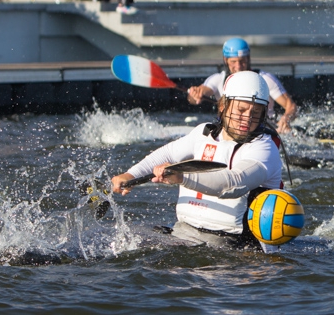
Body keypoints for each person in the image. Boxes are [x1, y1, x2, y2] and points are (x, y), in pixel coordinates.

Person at [111, 71, 283, 251]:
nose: (247, 118)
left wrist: (181, 177)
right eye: (241, 110)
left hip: (235, 245)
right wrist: (130, 175)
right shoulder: (203, 133)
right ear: (223, 106)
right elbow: (167, 154)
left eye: (255, 112)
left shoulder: (264, 148)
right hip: (185, 232)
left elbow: (234, 183)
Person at [187, 38, 297, 133]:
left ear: (248, 58)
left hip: (263, 129)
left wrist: (286, 119)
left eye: (242, 61)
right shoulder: (218, 79)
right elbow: (196, 96)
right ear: (226, 60)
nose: (239, 66)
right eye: (233, 61)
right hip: (230, 131)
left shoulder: (265, 79)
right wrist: (195, 94)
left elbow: (291, 106)